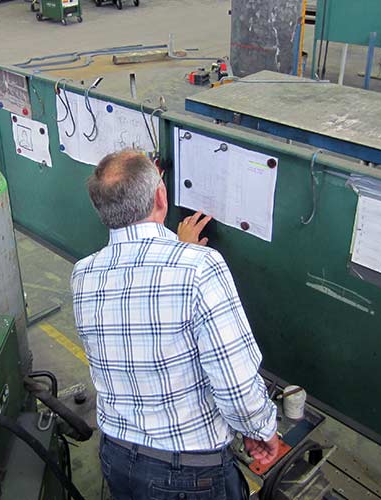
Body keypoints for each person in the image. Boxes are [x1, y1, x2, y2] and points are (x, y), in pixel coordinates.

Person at [71, 150, 278, 500]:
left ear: (103, 212)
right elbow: (235, 382)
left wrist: (180, 252)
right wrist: (261, 428)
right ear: (161, 197)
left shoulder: (83, 273)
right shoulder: (200, 268)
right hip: (186, 475)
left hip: (116, 457)